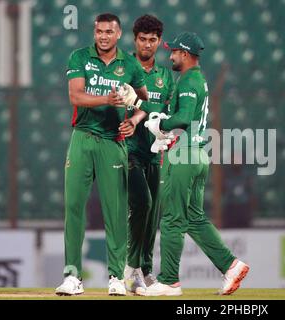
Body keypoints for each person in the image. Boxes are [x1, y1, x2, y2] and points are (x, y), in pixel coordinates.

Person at [120, 32, 250, 296]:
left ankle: (169, 281)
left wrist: (161, 125)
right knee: (193, 217)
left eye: (175, 52)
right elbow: (172, 108)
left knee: (171, 219)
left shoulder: (189, 79)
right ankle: (231, 266)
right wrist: (137, 102)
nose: (171, 56)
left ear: (186, 54)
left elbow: (184, 117)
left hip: (184, 153)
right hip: (198, 153)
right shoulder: (193, 79)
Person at [55, 13, 150, 296]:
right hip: (82, 138)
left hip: (113, 142)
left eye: (109, 32)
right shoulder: (79, 57)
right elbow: (76, 96)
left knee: (116, 211)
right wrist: (107, 99)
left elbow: (144, 99)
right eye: (99, 32)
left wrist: (134, 119)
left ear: (118, 34)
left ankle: (116, 278)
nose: (104, 36)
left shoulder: (129, 64)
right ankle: (72, 275)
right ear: (94, 33)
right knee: (73, 206)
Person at [122, 14, 175, 295]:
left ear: (159, 42)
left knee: (153, 213)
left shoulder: (165, 76)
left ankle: (145, 271)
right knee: (142, 204)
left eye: (152, 40)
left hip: (155, 154)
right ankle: (130, 269)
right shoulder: (124, 68)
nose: (147, 44)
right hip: (128, 151)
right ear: (135, 40)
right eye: (142, 39)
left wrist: (169, 131)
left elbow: (170, 112)